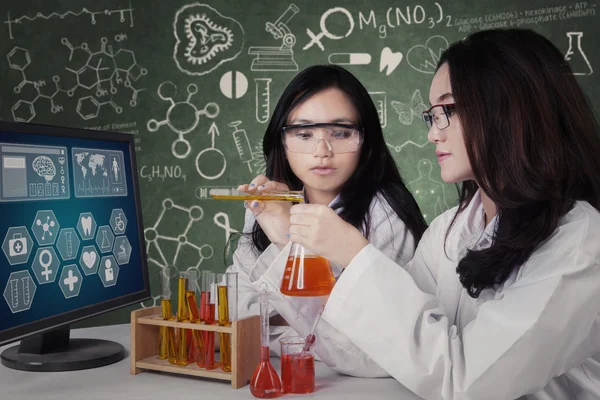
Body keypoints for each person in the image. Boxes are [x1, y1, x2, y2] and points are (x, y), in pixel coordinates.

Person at [284, 28, 600, 399]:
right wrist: (281, 235)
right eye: (432, 115)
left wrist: (355, 256)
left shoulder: (579, 243)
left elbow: (470, 383)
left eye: (448, 111)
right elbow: (377, 356)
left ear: (510, 110)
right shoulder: (447, 232)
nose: (433, 134)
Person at [226, 64, 428, 366]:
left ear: (365, 140)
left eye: (340, 132)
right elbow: (235, 312)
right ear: (281, 141)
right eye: (304, 133)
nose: (322, 151)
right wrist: (310, 328)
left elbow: (367, 343)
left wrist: (287, 240)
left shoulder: (388, 215)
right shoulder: (267, 204)